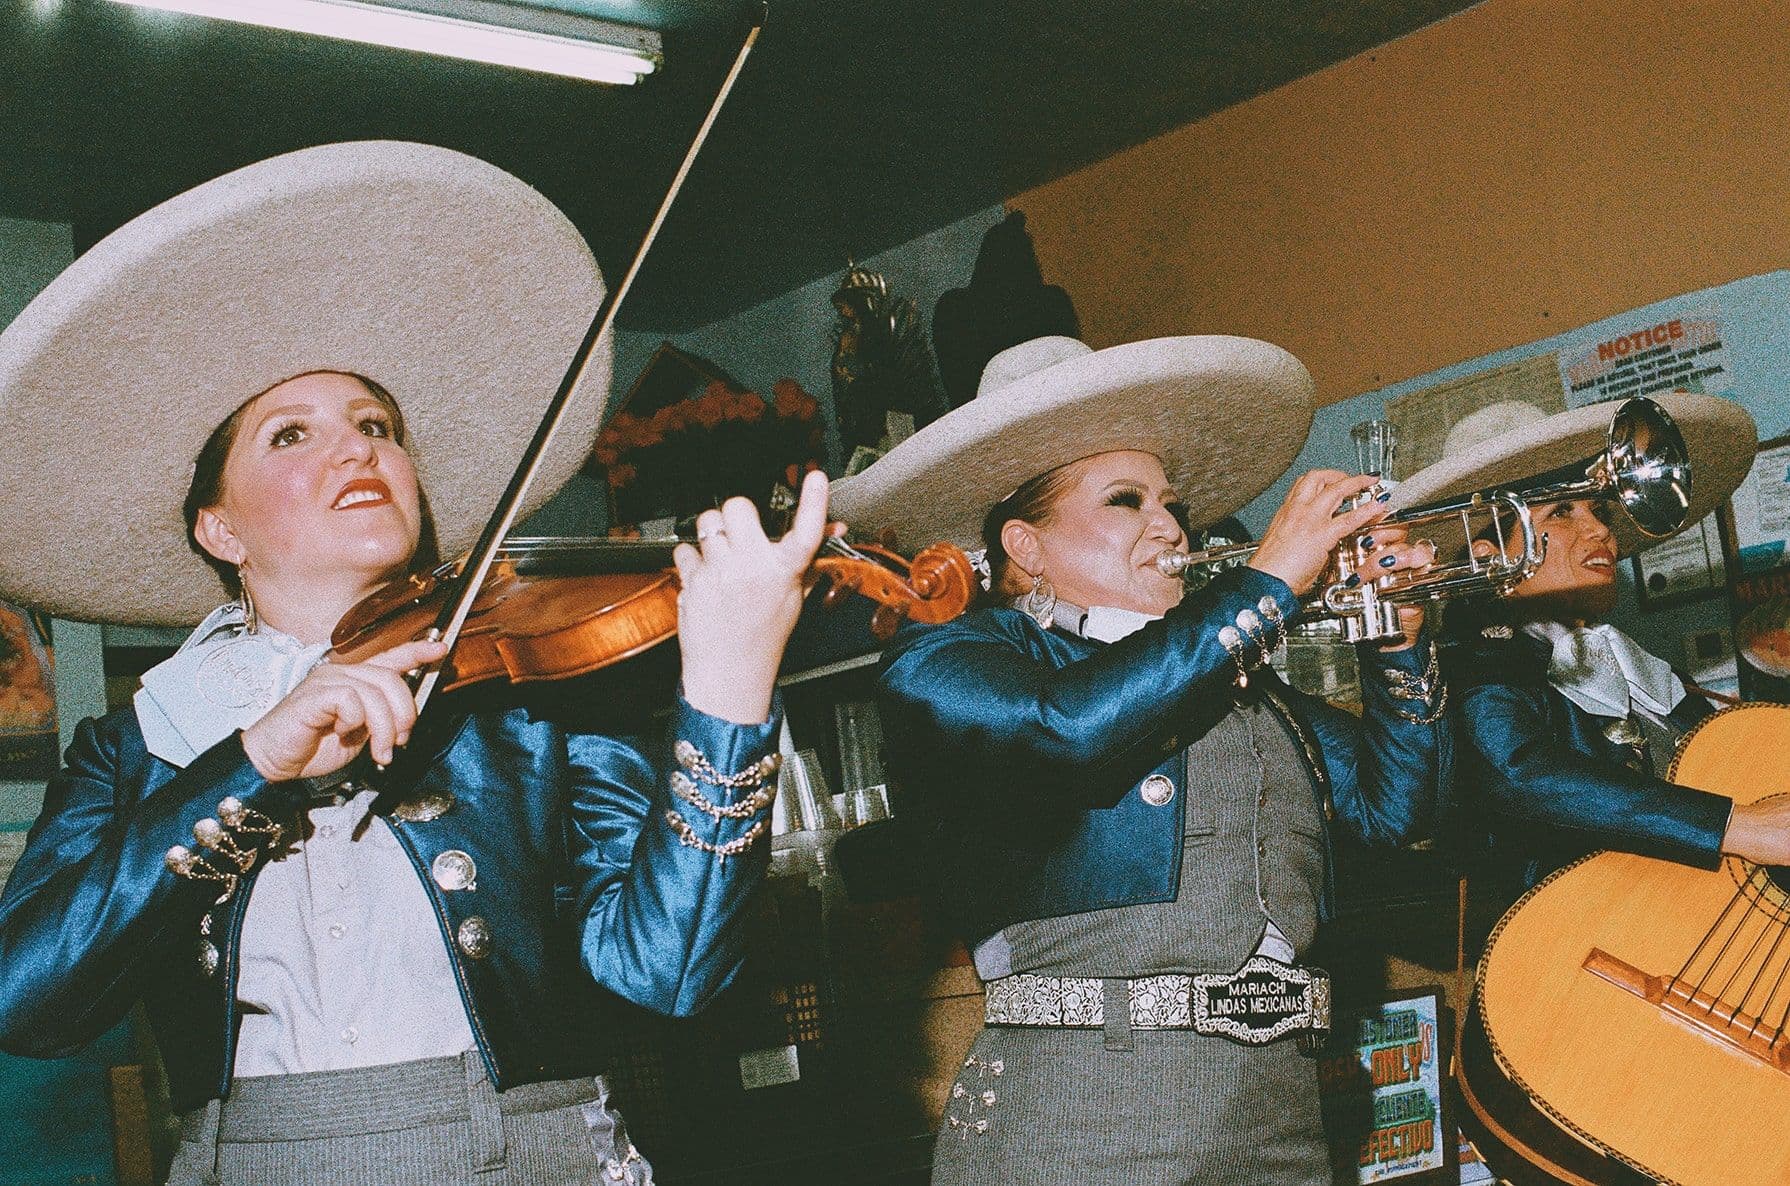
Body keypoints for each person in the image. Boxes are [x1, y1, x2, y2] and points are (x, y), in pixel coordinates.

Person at [0, 142, 829, 1185]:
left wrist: (727, 693)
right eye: (291, 434)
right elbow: (24, 1001)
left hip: (527, 1153)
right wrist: (253, 762)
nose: (357, 449)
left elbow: (667, 979)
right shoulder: (139, 742)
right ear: (219, 527)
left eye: (377, 425)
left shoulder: (534, 692)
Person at [828, 334, 1451, 1185]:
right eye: (1127, 500)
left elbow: (1393, 812)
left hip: (1278, 1115)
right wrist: (1265, 586)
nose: (1169, 526)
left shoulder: (1235, 674)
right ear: (1025, 544)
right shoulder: (944, 661)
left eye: (1172, 504)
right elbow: (1068, 730)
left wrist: (1399, 646)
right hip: (1082, 1125)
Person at [1392, 397, 1790, 930]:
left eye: (1599, 512)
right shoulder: (1469, 666)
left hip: (1682, 928)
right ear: (1489, 557)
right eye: (1562, 512)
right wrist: (1734, 826)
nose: (1602, 531)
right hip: (1568, 966)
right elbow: (1523, 775)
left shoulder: (1627, 659)